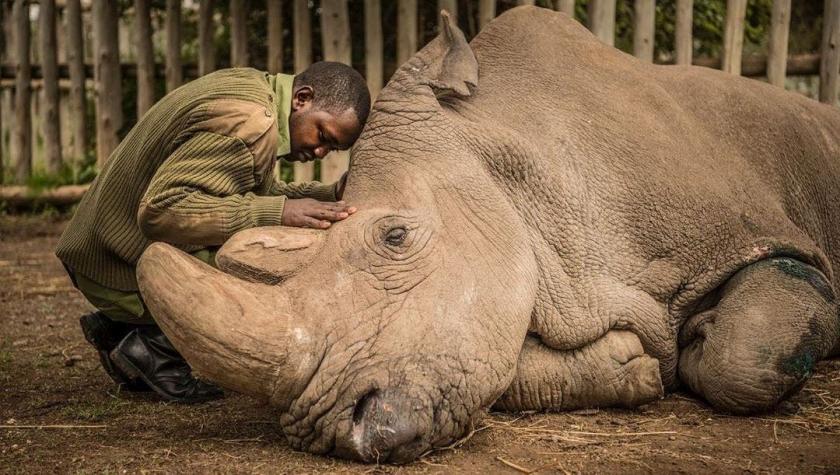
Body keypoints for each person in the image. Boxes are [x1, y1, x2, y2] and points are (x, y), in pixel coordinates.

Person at [55, 62, 371, 403]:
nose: (320, 152)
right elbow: (161, 211)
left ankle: (123, 328)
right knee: (270, 266)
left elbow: (250, 192)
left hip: (100, 248)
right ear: (302, 99)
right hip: (113, 264)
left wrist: (327, 195)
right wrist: (279, 213)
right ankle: (152, 347)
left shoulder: (254, 91)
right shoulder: (250, 123)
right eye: (323, 135)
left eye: (332, 149)